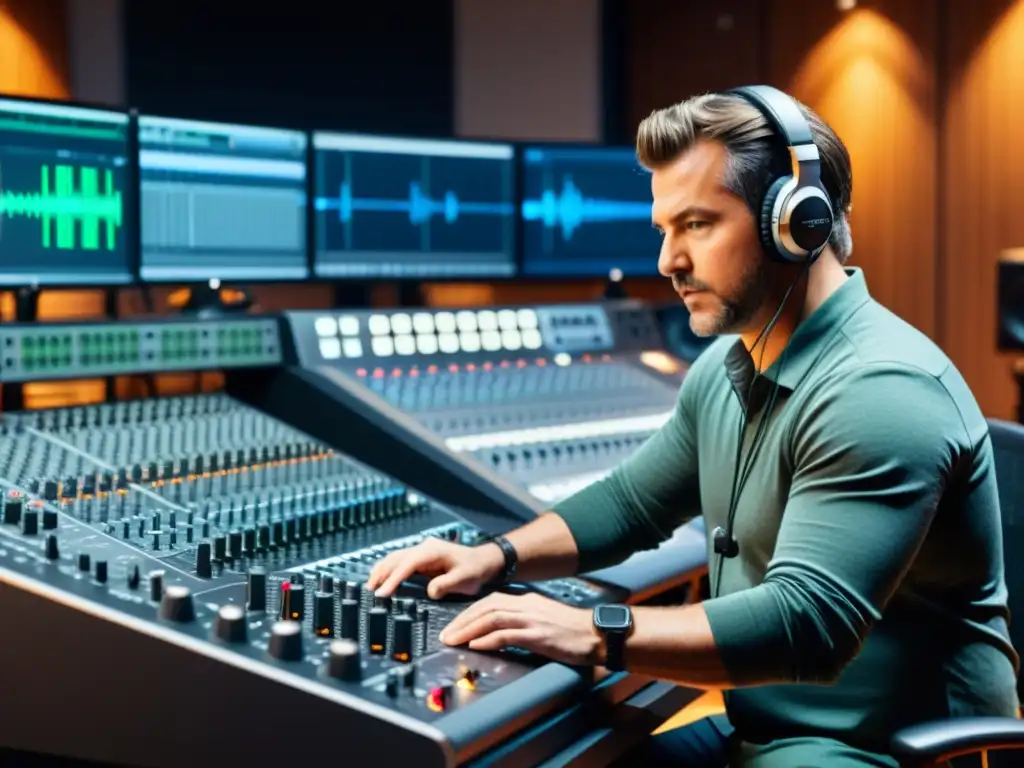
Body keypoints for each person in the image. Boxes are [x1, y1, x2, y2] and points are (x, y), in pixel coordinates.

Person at [367, 86, 1020, 767]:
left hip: (880, 749)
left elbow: (805, 626)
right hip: (764, 725)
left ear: (797, 223)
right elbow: (631, 504)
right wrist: (495, 557)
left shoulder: (883, 390)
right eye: (663, 230)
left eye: (698, 225)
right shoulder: (728, 366)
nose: (667, 262)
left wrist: (593, 628)